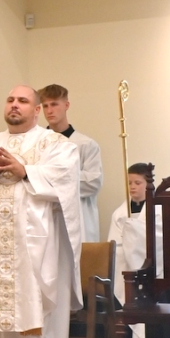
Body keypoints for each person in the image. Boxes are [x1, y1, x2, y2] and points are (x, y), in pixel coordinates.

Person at [0, 86, 83, 338]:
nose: (15, 105)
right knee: (0, 303)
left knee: (42, 301)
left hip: (38, 242)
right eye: (10, 99)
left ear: (37, 109)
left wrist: (24, 170)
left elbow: (66, 180)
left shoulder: (56, 144)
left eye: (23, 101)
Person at [107, 163, 170, 338]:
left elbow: (161, 240)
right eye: (129, 183)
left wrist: (136, 232)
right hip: (125, 271)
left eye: (137, 183)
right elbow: (114, 243)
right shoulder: (120, 212)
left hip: (154, 274)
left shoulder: (158, 211)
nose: (132, 187)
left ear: (148, 184)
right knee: (125, 307)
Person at [38, 84, 102, 242]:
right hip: (45, 219)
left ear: (66, 105)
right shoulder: (37, 144)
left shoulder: (86, 144)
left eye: (54, 104)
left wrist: (54, 177)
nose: (49, 111)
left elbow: (93, 182)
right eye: (45, 106)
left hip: (78, 217)